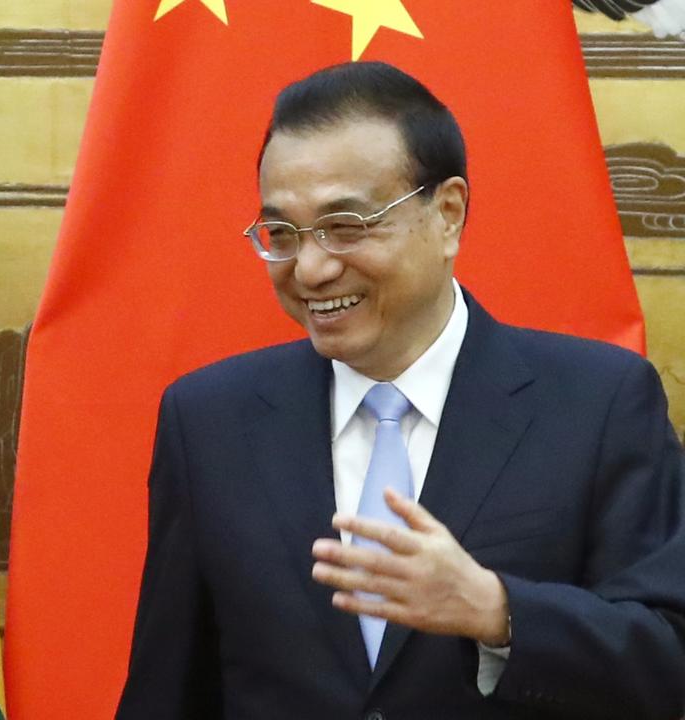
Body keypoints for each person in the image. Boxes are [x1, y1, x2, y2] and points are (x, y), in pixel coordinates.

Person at [114, 62, 685, 720]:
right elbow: (169, 688)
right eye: (282, 234)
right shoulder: (208, 420)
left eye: (347, 227)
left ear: (447, 215)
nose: (311, 268)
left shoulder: (599, 404)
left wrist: (498, 611)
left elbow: (666, 660)